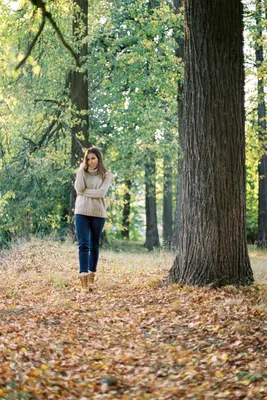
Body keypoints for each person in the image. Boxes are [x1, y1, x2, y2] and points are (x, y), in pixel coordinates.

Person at [74, 147, 112, 290]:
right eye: (88, 159)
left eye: (93, 158)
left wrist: (85, 192)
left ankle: (91, 275)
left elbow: (101, 193)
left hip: (98, 213)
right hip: (81, 212)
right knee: (83, 244)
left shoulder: (106, 175)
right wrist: (79, 170)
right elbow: (78, 189)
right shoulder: (82, 172)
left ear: (98, 159)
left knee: (94, 245)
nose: (90, 162)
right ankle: (83, 278)